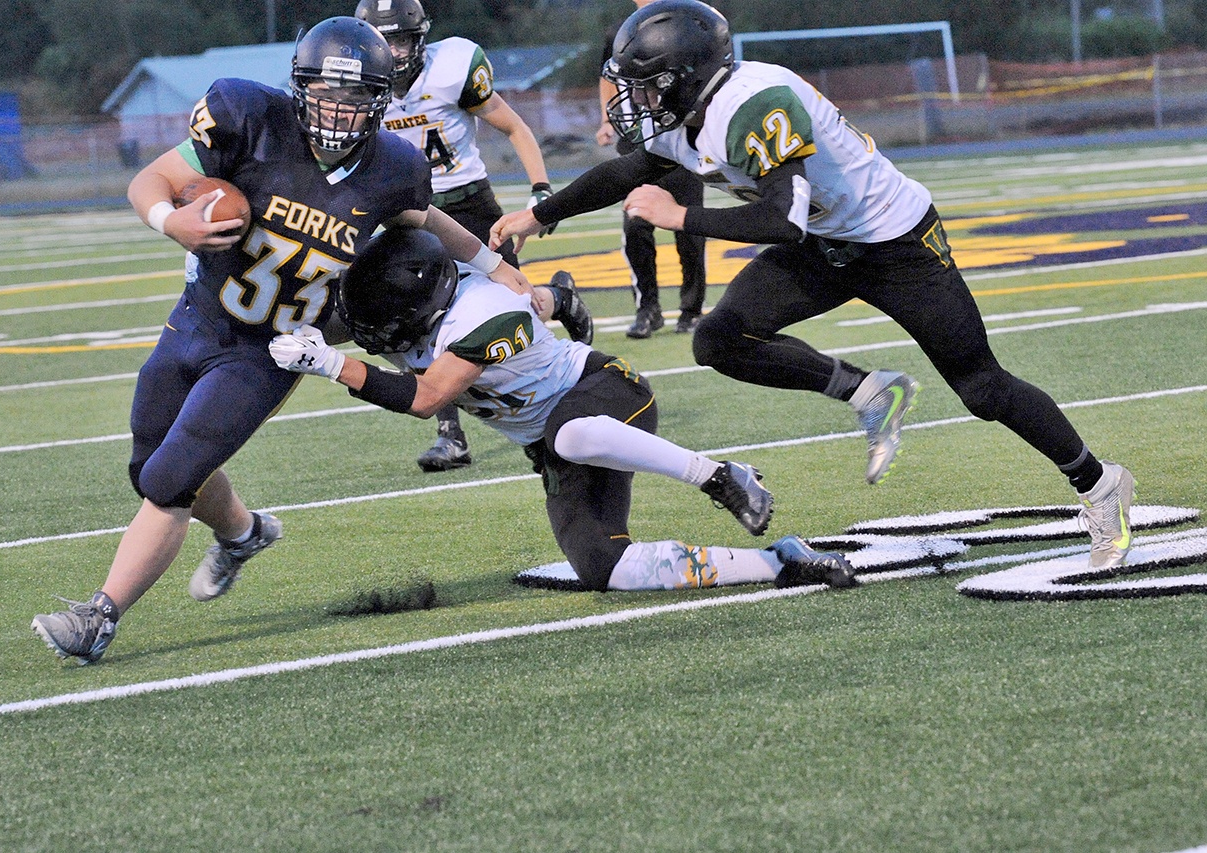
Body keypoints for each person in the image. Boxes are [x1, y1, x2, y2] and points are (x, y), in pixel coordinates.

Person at [491, 0, 1136, 573]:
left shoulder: (753, 104)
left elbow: (781, 223)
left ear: (684, 76)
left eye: (646, 85)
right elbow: (626, 172)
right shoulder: (690, 112)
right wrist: (539, 214)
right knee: (720, 340)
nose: (634, 100)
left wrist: (680, 216)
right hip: (827, 244)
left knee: (982, 388)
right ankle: (868, 391)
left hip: (895, 244)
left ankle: (1100, 484)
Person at [30, 17, 534, 665]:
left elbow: (428, 218)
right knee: (148, 465)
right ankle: (243, 532)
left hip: (269, 350)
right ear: (299, 87)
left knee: (171, 479)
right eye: (326, 93)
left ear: (380, 101)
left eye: (356, 98)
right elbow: (149, 180)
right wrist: (170, 220)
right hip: (197, 319)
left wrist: (495, 266)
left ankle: (98, 618)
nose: (338, 110)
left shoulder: (392, 167)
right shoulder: (249, 118)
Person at [269, 226, 857, 592]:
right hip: (550, 440)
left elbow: (426, 398)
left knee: (570, 434)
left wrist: (331, 364)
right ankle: (779, 562)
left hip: (608, 395)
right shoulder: (416, 299)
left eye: (385, 325)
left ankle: (721, 477)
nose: (374, 336)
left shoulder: (485, 314)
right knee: (604, 568)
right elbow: (338, 319)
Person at [354, 0, 594, 472]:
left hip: (467, 203)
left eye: (401, 39)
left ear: (420, 37)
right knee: (415, 317)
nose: (394, 52)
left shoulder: (453, 68)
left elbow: (514, 126)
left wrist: (540, 189)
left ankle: (558, 300)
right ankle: (451, 435)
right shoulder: (360, 85)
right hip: (407, 215)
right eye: (384, 41)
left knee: (516, 307)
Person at [596, 0, 708, 338]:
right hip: (639, 141)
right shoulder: (620, 32)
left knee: (690, 231)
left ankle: (692, 309)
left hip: (681, 137)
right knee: (636, 227)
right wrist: (606, 119)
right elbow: (607, 76)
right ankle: (647, 308)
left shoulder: (685, 23)